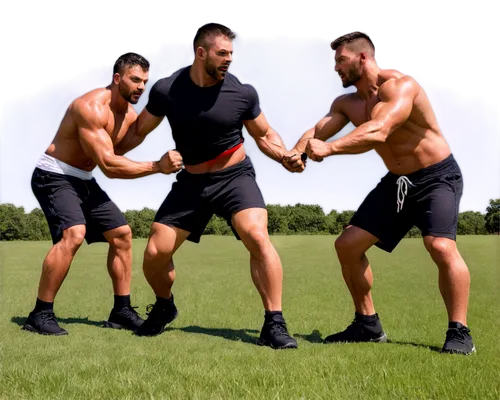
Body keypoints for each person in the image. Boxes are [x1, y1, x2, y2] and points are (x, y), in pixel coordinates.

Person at [116, 22, 305, 349]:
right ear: (200, 52)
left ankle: (274, 323)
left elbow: (264, 134)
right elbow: (137, 132)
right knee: (154, 253)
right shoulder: (166, 90)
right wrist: (109, 149)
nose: (229, 58)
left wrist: (285, 155)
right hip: (191, 182)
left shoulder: (242, 92)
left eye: (231, 53)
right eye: (222, 53)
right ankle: (164, 305)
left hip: (235, 177)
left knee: (257, 236)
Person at [289, 30, 475, 355]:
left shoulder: (400, 86)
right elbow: (318, 129)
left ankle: (459, 332)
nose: (335, 68)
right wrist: (298, 151)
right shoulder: (347, 103)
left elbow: (379, 130)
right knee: (347, 245)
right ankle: (367, 324)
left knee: (441, 246)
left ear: (363, 57)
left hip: (437, 176)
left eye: (340, 60)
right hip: (398, 182)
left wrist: (330, 149)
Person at [23, 51, 182, 336]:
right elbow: (108, 164)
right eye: (135, 80)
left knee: (121, 234)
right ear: (117, 78)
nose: (141, 87)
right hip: (54, 174)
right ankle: (40, 314)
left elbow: (122, 146)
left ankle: (120, 311)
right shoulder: (91, 107)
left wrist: (160, 107)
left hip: (83, 178)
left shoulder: (129, 114)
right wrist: (158, 166)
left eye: (145, 82)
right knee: (74, 233)